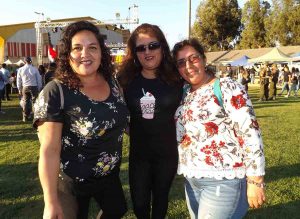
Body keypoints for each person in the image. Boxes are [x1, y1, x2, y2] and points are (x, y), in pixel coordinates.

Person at [33, 21, 129, 219]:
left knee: (117, 210)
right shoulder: (56, 91)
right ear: (68, 54)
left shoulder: (113, 83)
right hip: (71, 181)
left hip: (108, 176)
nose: (85, 54)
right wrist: (50, 202)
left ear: (101, 53)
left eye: (92, 47)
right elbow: (49, 150)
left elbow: (121, 121)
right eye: (77, 48)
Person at [172, 38, 266, 219]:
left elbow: (250, 132)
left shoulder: (226, 87)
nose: (189, 66)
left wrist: (256, 180)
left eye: (193, 58)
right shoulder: (185, 93)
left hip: (224, 180)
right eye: (181, 62)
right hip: (192, 180)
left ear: (204, 60)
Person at [118, 23, 182, 219]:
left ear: (162, 46)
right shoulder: (125, 80)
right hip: (140, 155)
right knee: (139, 204)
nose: (147, 51)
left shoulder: (177, 78)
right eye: (141, 48)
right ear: (134, 53)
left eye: (152, 45)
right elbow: (116, 112)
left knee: (161, 200)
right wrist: (131, 129)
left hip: (167, 154)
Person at [17, 57, 42, 122]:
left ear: (24, 61)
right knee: (35, 102)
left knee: (25, 102)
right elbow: (39, 79)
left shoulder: (20, 69)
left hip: (25, 87)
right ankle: (35, 116)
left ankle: (25, 117)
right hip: (34, 86)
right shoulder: (35, 69)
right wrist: (39, 88)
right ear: (31, 61)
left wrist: (19, 89)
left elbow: (18, 80)